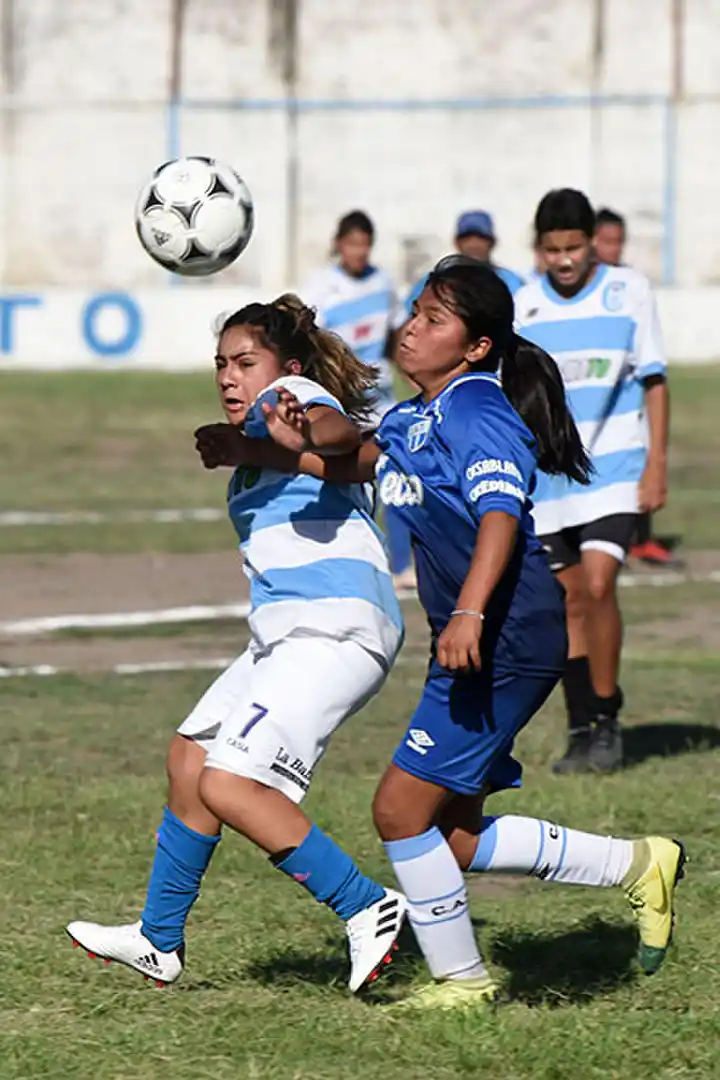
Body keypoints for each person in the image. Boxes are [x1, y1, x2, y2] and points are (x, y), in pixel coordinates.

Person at [256, 258, 684, 1008]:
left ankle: (462, 983)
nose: (412, 328)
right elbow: (354, 449)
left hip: (506, 634)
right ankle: (638, 864)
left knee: (397, 810)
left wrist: (468, 612)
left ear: (477, 346)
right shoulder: (420, 412)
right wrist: (275, 440)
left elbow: (499, 516)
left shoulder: (478, 410)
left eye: (433, 320)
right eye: (415, 311)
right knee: (449, 834)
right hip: (492, 634)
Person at [66, 295, 407, 993]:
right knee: (190, 760)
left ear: (285, 367)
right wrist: (252, 448)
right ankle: (159, 940)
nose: (228, 376)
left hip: (335, 626)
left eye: (244, 362)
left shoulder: (292, 397)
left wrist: (301, 428)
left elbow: (337, 433)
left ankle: (366, 904)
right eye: (221, 363)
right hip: (285, 635)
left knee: (231, 782)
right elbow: (311, 456)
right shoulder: (255, 444)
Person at [514, 189, 670, 774]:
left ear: (592, 242)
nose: (564, 260)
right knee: (568, 601)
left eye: (573, 247)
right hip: (549, 483)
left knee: (600, 586)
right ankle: (581, 727)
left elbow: (654, 380)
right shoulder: (523, 305)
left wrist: (656, 463)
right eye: (552, 249)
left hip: (616, 469)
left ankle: (607, 715)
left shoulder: (630, 292)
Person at [301, 210, 415, 590]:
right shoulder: (321, 289)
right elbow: (310, 343)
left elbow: (396, 335)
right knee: (344, 480)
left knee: (394, 476)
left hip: (380, 402)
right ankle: (342, 561)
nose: (359, 252)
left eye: (365, 244)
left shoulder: (382, 285)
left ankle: (402, 566)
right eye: (352, 244)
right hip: (341, 405)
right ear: (339, 245)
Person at [594, 207, 674, 567]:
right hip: (592, 396)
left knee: (639, 454)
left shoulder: (630, 284)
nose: (613, 248)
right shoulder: (575, 287)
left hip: (628, 392)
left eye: (618, 241)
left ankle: (643, 537)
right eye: (607, 240)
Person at [404, 210, 525, 319]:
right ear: (456, 242)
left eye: (481, 237)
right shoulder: (433, 282)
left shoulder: (511, 282)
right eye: (466, 238)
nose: (474, 244)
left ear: (492, 242)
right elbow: (408, 319)